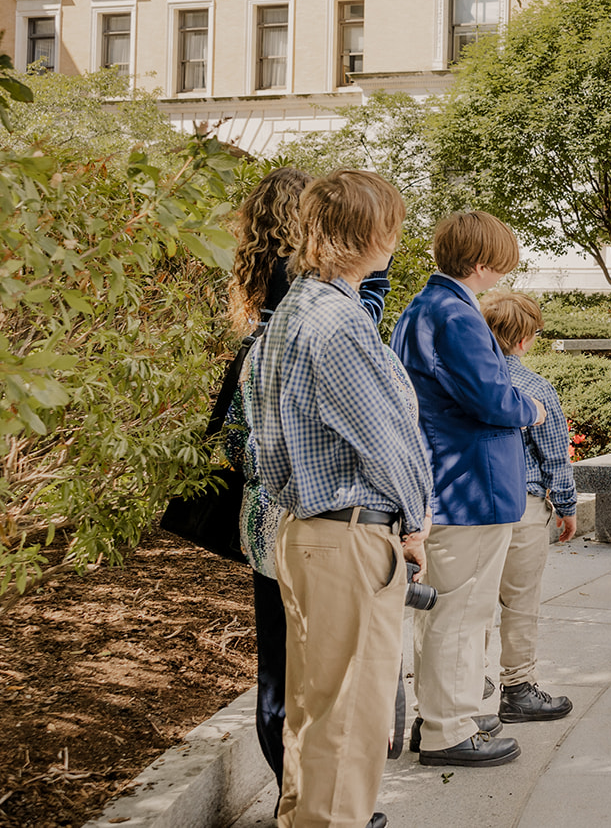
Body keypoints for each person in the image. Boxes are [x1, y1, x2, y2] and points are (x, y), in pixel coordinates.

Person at [246, 169, 431, 828]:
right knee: (349, 721)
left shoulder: (292, 310)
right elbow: (386, 441)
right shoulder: (337, 323)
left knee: (313, 713)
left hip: (305, 529)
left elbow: (266, 444)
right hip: (349, 534)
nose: (398, 236)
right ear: (373, 232)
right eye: (394, 224)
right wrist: (415, 520)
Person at [225, 167, 393, 804]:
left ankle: (291, 796)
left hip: (267, 509)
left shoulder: (262, 299)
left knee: (283, 665)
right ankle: (313, 800)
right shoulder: (325, 304)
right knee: (322, 678)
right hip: (316, 502)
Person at [391, 211, 543, 768]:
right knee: (462, 612)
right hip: (471, 484)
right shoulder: (456, 313)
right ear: (482, 262)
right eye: (499, 264)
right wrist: (529, 407)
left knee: (443, 612)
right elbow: (492, 399)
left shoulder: (422, 308)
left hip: (447, 480)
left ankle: (437, 717)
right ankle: (449, 731)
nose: (501, 274)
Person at [479, 289, 578, 725]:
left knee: (472, 603)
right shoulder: (533, 387)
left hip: (471, 506)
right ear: (523, 340)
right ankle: (517, 689)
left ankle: (463, 686)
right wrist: (567, 505)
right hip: (523, 505)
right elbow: (555, 454)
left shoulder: (467, 382)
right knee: (519, 602)